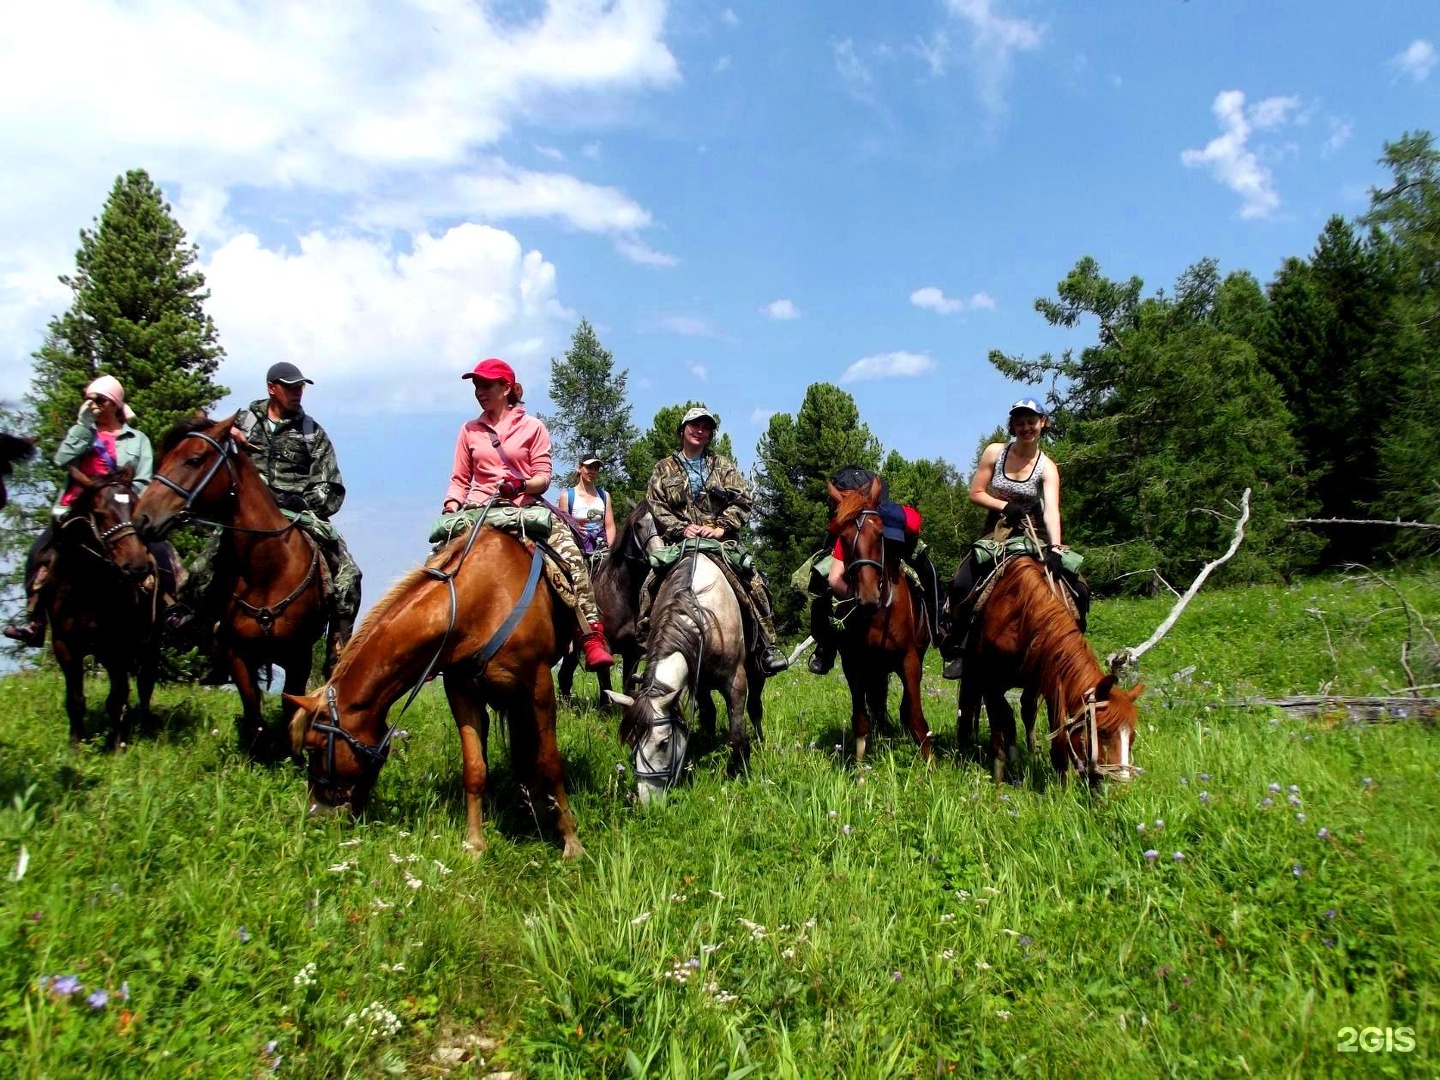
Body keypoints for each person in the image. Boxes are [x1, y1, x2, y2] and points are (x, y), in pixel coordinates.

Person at [171, 362, 362, 674]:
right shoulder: (244, 423)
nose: (297, 393)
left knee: (349, 575)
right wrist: (226, 432)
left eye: (300, 387)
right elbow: (201, 437)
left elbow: (332, 488)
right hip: (246, 517)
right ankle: (192, 623)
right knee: (202, 567)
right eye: (290, 387)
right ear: (272, 388)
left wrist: (303, 500)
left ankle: (339, 651)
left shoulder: (312, 434)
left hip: (299, 515)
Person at [442, 357, 613, 671]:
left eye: (487, 384)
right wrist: (452, 506)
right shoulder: (469, 430)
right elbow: (460, 479)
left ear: (506, 388)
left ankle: (590, 636)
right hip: (479, 510)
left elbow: (543, 477)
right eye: (476, 385)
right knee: (437, 565)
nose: (480, 391)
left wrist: (519, 484)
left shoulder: (533, 427)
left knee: (571, 559)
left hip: (525, 509)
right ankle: (432, 644)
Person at [940, 397, 1088, 679]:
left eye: (1031, 422)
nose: (1025, 428)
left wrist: (1055, 549)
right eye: (1019, 423)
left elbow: (1052, 511)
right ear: (1013, 426)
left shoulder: (1047, 467)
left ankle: (1072, 645)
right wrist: (1005, 506)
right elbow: (976, 493)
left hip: (1035, 531)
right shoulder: (995, 453)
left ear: (1042, 423)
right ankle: (960, 646)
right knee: (962, 583)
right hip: (997, 527)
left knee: (1078, 587)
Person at [5, 375, 156, 646]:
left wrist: (131, 504)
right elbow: (62, 459)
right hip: (78, 508)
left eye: (99, 399)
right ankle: (35, 619)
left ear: (114, 403)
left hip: (120, 510)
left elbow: (144, 478)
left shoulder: (137, 440)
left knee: (160, 554)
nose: (93, 404)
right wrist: (82, 426)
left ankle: (169, 610)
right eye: (89, 399)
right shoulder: (84, 432)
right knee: (41, 553)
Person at [644, 406, 788, 675]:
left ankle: (768, 646)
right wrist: (680, 528)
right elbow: (655, 503)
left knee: (754, 582)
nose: (700, 431)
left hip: (722, 543)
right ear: (682, 430)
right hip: (680, 543)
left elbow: (743, 500)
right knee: (648, 587)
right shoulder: (663, 468)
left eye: (706, 427)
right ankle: (647, 648)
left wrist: (722, 528)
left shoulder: (722, 465)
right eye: (695, 426)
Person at [807, 466, 940, 675]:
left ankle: (937, 626)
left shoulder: (891, 513)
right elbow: (834, 575)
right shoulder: (846, 522)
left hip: (885, 539)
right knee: (819, 582)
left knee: (929, 571)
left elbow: (913, 525)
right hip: (855, 540)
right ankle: (826, 645)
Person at [557, 455, 616, 560]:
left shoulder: (604, 496)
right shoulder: (567, 496)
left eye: (596, 468)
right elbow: (563, 528)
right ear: (579, 468)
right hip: (576, 549)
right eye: (589, 467)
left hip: (602, 549)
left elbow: (610, 526)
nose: (592, 472)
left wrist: (610, 548)